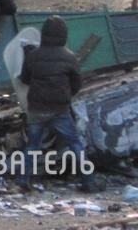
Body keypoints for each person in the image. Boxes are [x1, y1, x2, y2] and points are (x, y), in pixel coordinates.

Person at [16, 16, 100, 194]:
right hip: (59, 109)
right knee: (75, 144)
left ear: (44, 34)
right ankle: (89, 182)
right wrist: (66, 96)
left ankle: (22, 182)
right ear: (64, 35)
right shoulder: (69, 57)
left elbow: (24, 79)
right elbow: (77, 83)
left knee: (32, 146)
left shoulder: (33, 55)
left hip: (37, 109)